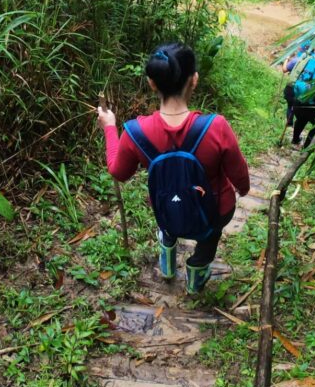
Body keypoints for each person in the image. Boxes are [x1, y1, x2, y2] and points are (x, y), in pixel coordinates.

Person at [97, 43, 250, 294]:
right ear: (195, 79)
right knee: (208, 241)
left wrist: (110, 127)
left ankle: (167, 260)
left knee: (169, 215)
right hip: (213, 212)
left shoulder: (135, 132)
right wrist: (242, 190)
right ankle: (195, 280)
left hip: (166, 208)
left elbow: (118, 171)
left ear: (152, 83)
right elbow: (239, 174)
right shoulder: (216, 127)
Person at [282, 36, 315, 148]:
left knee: (300, 120)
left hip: (298, 98)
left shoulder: (306, 58)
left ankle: (295, 140)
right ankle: (306, 148)